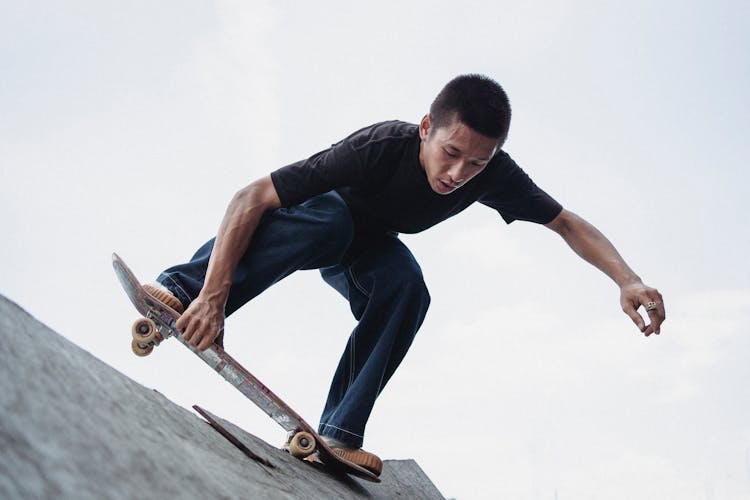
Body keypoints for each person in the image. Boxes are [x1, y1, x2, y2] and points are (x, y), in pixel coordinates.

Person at [144, 74, 665, 476]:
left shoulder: (494, 175)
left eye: (476, 165)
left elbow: (567, 223)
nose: (457, 175)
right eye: (451, 153)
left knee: (408, 288)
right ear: (425, 128)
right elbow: (250, 198)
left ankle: (339, 432)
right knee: (329, 220)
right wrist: (211, 297)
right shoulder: (378, 148)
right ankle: (178, 288)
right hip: (317, 221)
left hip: (366, 249)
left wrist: (627, 279)